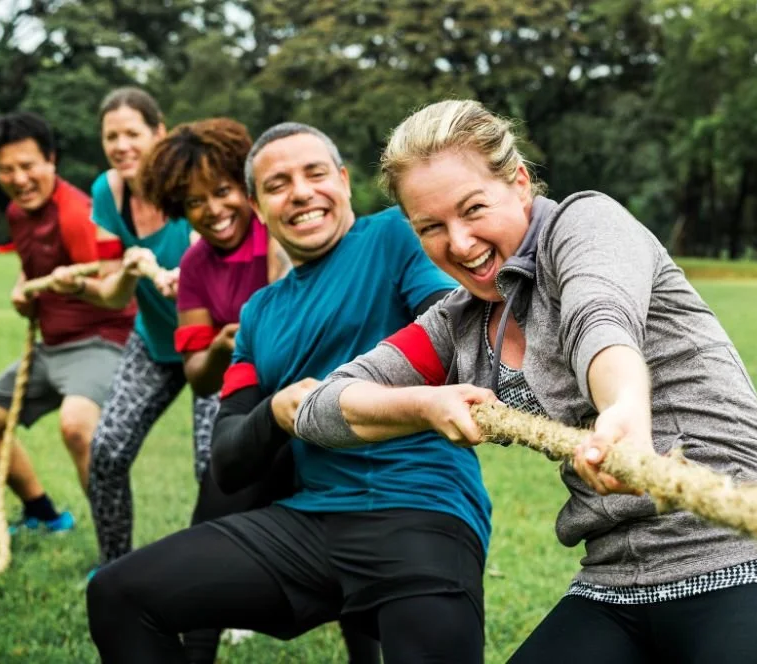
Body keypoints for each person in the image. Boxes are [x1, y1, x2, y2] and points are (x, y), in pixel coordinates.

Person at [294, 100, 757, 663]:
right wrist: (424, 404)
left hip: (754, 553)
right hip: (615, 583)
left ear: (518, 183)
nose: (460, 243)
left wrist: (624, 412)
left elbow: (600, 321)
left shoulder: (584, 225)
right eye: (432, 227)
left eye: (473, 209)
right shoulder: (458, 323)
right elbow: (322, 408)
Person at [87, 122, 489, 664]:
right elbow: (228, 460)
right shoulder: (258, 315)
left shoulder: (395, 236)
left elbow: (455, 333)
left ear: (344, 182)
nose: (300, 192)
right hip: (309, 525)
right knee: (117, 594)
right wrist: (275, 412)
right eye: (277, 185)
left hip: (419, 512)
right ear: (258, 206)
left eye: (315, 174)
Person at [136, 117, 377, 663]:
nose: (214, 211)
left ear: (246, 195)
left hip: (327, 403)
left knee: (352, 540)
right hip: (256, 407)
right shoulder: (196, 263)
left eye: (222, 193)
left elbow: (301, 309)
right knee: (213, 519)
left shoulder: (287, 229)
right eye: (194, 202)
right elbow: (198, 374)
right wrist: (226, 344)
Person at [47, 87, 209, 568]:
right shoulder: (107, 191)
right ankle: (114, 568)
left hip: (214, 344)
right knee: (108, 453)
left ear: (159, 133)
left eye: (132, 133)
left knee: (215, 467)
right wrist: (125, 272)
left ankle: (228, 592)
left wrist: (191, 280)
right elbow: (112, 295)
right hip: (156, 342)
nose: (121, 146)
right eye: (110, 136)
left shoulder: (191, 182)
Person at [0, 111, 135, 534]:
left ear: (51, 160)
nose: (19, 178)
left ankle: (116, 553)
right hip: (51, 346)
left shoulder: (78, 213)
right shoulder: (19, 213)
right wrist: (24, 288)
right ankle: (44, 515)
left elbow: (114, 288)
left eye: (28, 166)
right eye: (6, 169)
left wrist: (70, 287)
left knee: (76, 425)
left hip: (100, 340)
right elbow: (34, 264)